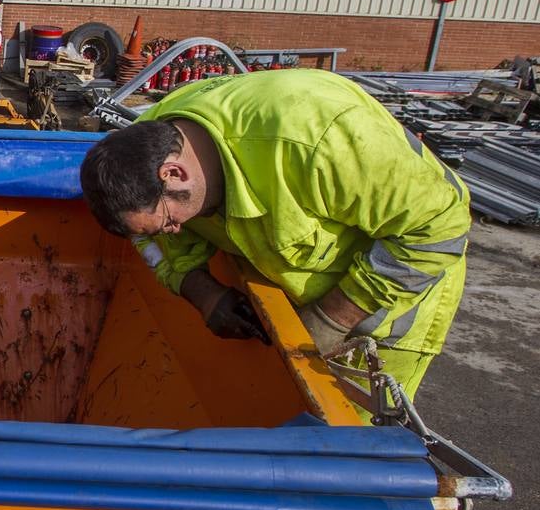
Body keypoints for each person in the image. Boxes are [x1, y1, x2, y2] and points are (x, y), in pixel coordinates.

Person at [79, 68, 468, 400]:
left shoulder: (317, 139)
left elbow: (439, 226)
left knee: (354, 447)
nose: (175, 230)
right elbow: (146, 238)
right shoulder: (156, 139)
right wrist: (200, 289)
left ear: (174, 174)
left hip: (391, 315)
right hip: (300, 301)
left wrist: (333, 319)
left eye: (170, 221)